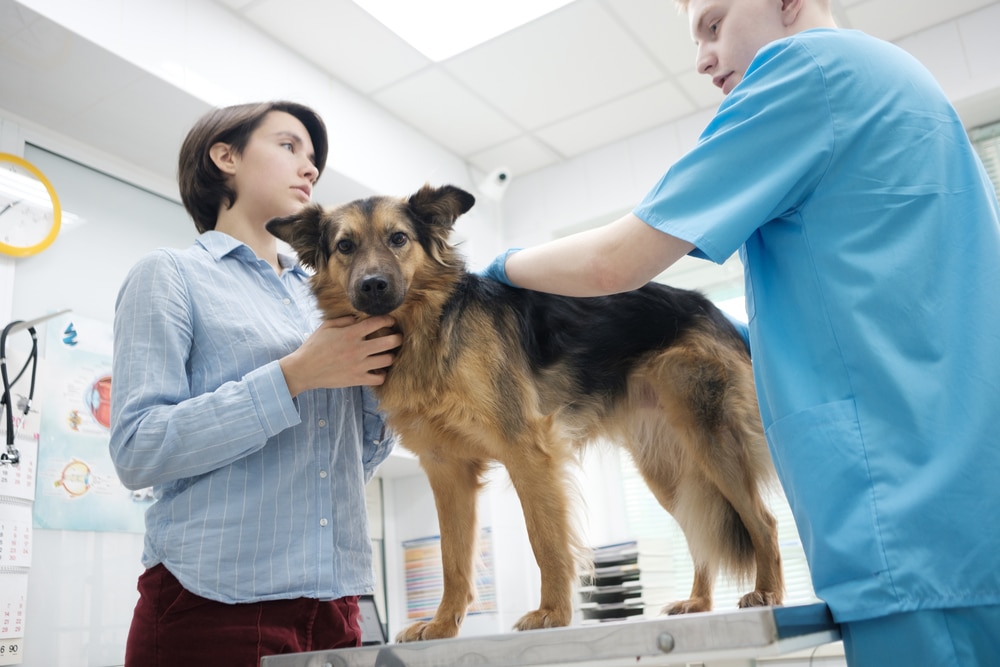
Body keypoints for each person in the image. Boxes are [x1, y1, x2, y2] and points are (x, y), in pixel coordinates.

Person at [482, 0, 1000, 665]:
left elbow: (617, 259)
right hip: (969, 511)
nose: (701, 57)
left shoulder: (801, 72)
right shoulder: (899, 78)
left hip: (914, 536)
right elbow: (876, 303)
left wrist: (495, 267)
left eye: (715, 24)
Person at [109, 101, 402, 666]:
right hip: (212, 604)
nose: (311, 169)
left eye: (314, 158)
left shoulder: (330, 292)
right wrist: (295, 376)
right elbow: (137, 449)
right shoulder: (170, 275)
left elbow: (351, 459)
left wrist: (384, 399)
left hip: (337, 606)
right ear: (226, 157)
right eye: (290, 146)